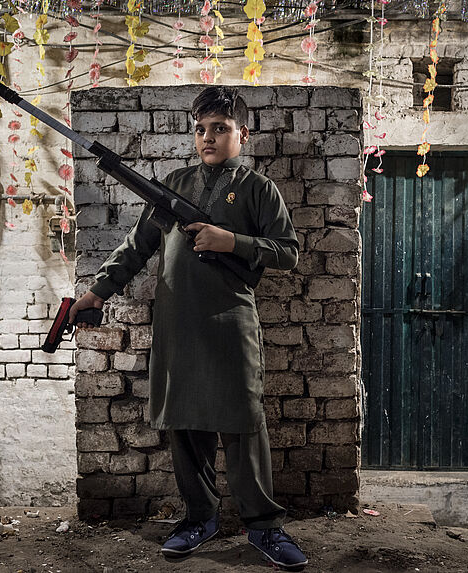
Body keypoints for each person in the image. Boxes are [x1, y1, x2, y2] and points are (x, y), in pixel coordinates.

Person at [69, 86, 307, 569]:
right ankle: (199, 518)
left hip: (229, 321)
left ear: (243, 132)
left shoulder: (259, 188)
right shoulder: (174, 183)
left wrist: (232, 241)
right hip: (177, 323)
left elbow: (288, 252)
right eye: (200, 130)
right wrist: (96, 293)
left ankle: (263, 526)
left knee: (243, 424)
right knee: (185, 425)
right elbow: (137, 247)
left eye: (220, 128)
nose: (208, 138)